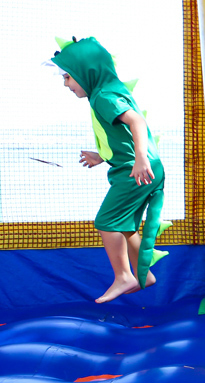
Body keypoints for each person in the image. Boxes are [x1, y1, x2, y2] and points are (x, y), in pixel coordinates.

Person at [52, 37, 165, 303]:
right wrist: (102, 156)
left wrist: (140, 158)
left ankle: (124, 276)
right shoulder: (107, 92)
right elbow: (121, 136)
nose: (66, 84)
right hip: (143, 167)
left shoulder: (103, 97)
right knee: (124, 225)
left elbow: (136, 121)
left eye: (68, 77)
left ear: (86, 72)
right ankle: (144, 273)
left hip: (135, 171)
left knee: (106, 221)